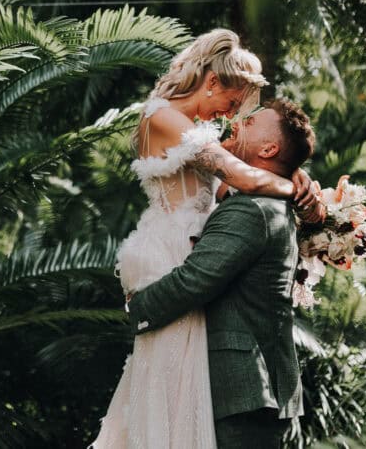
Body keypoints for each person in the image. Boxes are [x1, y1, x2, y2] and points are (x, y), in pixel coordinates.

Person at [91, 30, 320, 448]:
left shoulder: (204, 136)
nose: (230, 118)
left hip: (191, 243)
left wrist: (293, 170)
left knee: (182, 379)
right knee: (169, 374)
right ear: (212, 83)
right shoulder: (163, 117)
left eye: (239, 113)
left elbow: (243, 169)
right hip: (170, 246)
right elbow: (241, 174)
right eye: (232, 105)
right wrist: (295, 188)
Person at [125, 98, 315, 448]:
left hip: (243, 391)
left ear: (269, 147)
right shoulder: (261, 202)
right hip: (252, 392)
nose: (239, 122)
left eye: (252, 122)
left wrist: (136, 308)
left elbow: (193, 281)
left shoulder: (250, 210)